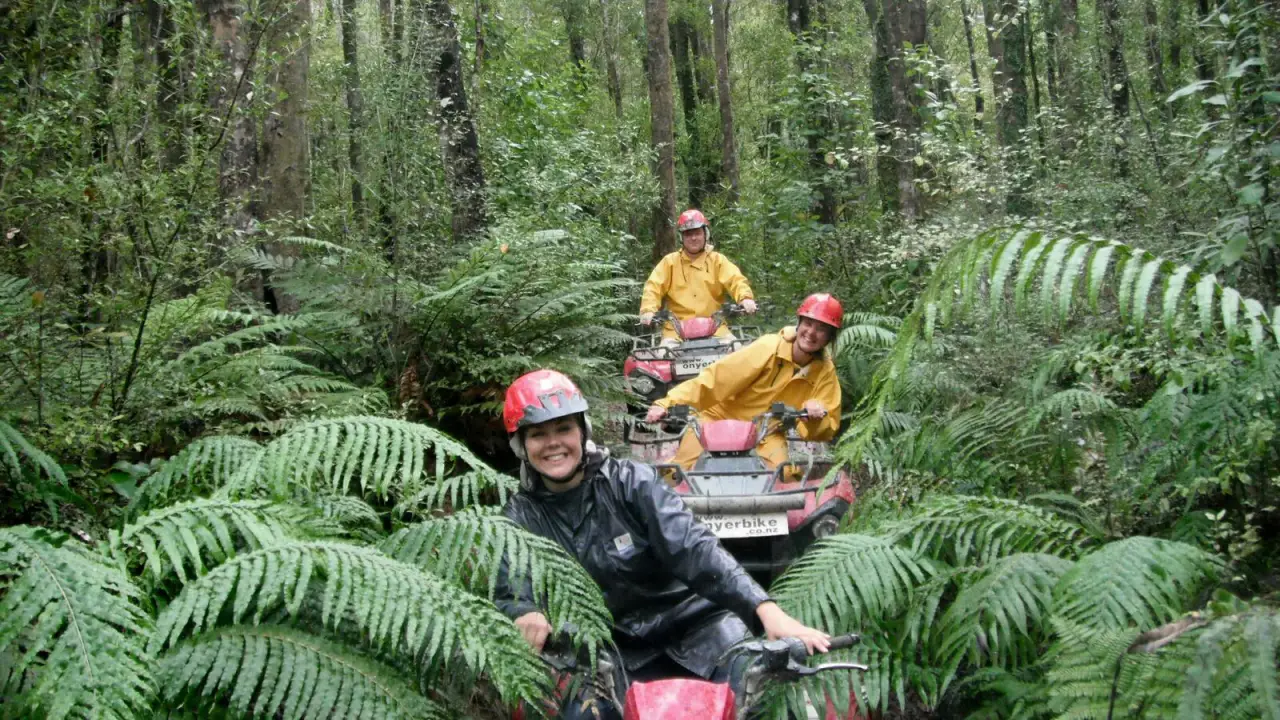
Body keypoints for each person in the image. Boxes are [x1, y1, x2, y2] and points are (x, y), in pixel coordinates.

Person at [494, 369, 830, 719]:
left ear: (582, 431)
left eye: (563, 428)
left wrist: (765, 609)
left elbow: (695, 548)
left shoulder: (630, 482)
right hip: (607, 651)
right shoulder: (519, 516)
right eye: (538, 434)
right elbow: (510, 583)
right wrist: (523, 610)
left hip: (701, 627)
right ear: (521, 445)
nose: (553, 443)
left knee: (771, 700)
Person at [644, 293, 843, 471]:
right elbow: (715, 380)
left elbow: (827, 427)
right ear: (799, 323)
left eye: (821, 329)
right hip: (719, 420)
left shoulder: (825, 371)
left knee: (784, 478)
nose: (811, 332)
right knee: (680, 473)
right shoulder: (769, 347)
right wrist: (666, 403)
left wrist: (816, 417)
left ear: (829, 337)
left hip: (767, 432)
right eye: (808, 324)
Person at [639, 209, 757, 343]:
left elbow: (735, 279)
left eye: (697, 233)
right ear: (681, 237)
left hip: (716, 328)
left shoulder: (718, 260)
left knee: (736, 354)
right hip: (676, 331)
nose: (693, 238)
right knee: (663, 358)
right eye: (688, 234)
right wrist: (648, 310)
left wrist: (745, 298)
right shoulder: (669, 262)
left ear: (705, 234)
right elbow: (653, 287)